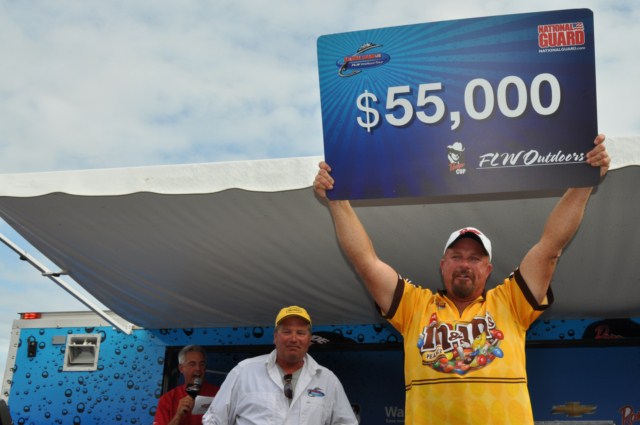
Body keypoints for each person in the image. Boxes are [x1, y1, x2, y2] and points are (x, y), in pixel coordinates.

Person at [312, 135, 610, 425]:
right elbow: (366, 264)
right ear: (443, 266)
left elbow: (549, 249)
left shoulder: (511, 301)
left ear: (488, 269)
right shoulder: (414, 306)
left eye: (475, 258)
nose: (465, 264)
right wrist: (338, 202)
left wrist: (583, 183)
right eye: (456, 256)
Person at [203, 305, 358, 425]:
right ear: (275, 337)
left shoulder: (327, 379)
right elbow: (213, 420)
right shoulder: (244, 372)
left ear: (309, 339)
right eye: (286, 332)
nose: (293, 339)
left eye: (300, 333)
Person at [154, 345, 220, 425]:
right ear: (181, 368)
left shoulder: (219, 394)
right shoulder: (167, 399)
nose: (198, 368)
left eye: (202, 364)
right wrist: (178, 416)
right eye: (192, 364)